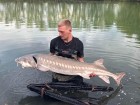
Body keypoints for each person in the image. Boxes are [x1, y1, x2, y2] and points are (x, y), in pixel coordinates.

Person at [50, 19, 84, 84]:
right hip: (58, 76)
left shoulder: (78, 43)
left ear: (70, 30)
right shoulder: (54, 42)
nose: (59, 34)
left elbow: (81, 60)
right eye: (58, 31)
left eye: (62, 32)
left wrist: (88, 72)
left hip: (74, 76)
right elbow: (51, 55)